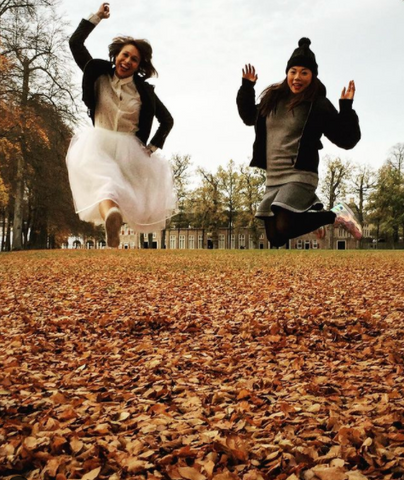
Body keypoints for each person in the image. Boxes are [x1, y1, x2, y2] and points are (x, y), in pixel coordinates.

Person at [67, 2, 176, 248]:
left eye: (134, 60)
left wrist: (151, 148)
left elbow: (167, 120)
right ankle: (112, 219)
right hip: (97, 142)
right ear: (116, 55)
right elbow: (75, 43)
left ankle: (114, 218)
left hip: (129, 150)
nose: (127, 61)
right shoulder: (98, 73)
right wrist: (97, 17)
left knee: (113, 187)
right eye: (125, 55)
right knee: (105, 185)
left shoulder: (143, 92)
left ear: (139, 66)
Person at [237, 38, 362, 248]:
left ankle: (333, 216)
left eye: (304, 72)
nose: (297, 77)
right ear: (287, 73)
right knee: (276, 238)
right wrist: (247, 87)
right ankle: (311, 220)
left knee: (286, 226)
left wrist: (346, 108)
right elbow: (249, 116)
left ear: (312, 76)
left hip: (300, 174)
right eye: (293, 71)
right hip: (274, 176)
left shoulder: (318, 105)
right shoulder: (272, 100)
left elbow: (347, 139)